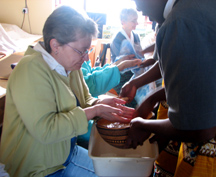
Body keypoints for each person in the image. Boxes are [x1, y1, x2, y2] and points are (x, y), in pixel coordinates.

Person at [0, 6, 136, 177]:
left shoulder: (69, 65)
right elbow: (46, 130)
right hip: (39, 167)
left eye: (88, 50)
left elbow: (85, 99)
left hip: (64, 153)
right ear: (55, 45)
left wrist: (99, 103)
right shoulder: (30, 69)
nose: (86, 57)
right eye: (82, 51)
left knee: (120, 171)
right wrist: (95, 110)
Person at [121, 0, 216, 176]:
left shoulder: (180, 21)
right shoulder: (191, 10)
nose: (139, 10)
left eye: (139, 4)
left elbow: (198, 128)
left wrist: (144, 125)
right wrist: (147, 94)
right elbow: (188, 70)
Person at [110, 8, 155, 108]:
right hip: (121, 75)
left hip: (134, 71)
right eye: (133, 20)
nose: (136, 23)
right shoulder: (117, 39)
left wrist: (141, 60)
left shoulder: (136, 36)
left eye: (136, 20)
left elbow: (140, 55)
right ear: (123, 21)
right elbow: (118, 63)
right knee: (133, 98)